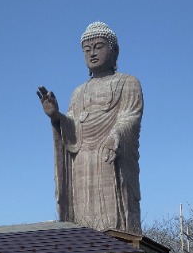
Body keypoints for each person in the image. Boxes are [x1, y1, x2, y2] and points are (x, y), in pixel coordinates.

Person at [38, 21, 143, 235]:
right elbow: (73, 128)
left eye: (98, 47)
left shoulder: (128, 82)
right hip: (83, 159)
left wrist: (116, 134)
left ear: (114, 51)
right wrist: (56, 117)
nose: (92, 53)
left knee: (113, 218)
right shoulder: (78, 92)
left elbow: (130, 117)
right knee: (83, 213)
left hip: (110, 155)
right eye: (86, 49)